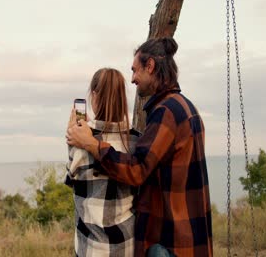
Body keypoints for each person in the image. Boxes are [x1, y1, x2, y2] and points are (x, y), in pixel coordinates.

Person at [67, 38, 213, 257]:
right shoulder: (186, 107)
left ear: (150, 66)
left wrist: (90, 142)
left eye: (135, 70)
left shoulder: (167, 113)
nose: (133, 79)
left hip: (170, 240)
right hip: (189, 234)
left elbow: (136, 170)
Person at [65, 68, 140, 256]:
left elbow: (72, 182)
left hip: (91, 248)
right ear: (122, 98)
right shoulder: (137, 140)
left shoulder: (80, 141)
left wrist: (73, 135)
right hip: (127, 246)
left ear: (94, 95)